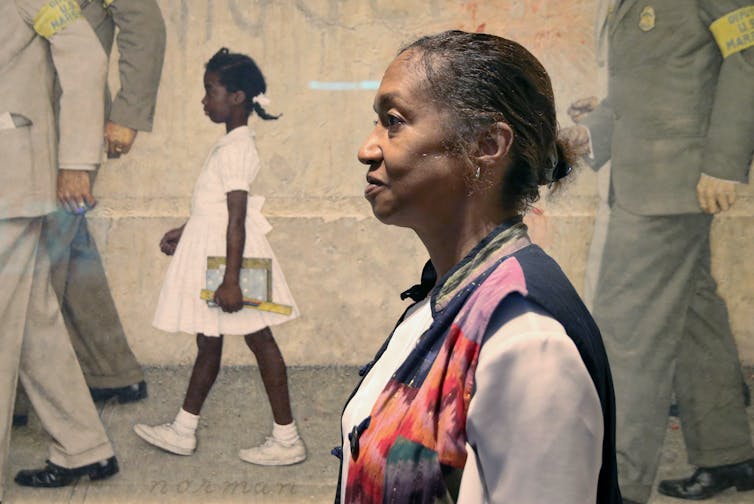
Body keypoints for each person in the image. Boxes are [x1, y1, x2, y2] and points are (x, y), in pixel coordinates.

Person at [335, 30, 622, 503]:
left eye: (393, 121)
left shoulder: (528, 342)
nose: (368, 148)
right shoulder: (447, 297)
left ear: (487, 145)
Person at [560, 1, 754, 502]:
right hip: (649, 177)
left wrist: (725, 162)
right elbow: (654, 85)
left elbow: (748, 55)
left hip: (674, 184)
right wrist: (593, 131)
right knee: (695, 317)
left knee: (625, 333)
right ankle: (728, 454)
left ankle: (618, 484)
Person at [133, 48, 306, 467]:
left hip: (233, 260)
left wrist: (231, 280)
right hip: (218, 253)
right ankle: (183, 428)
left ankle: (287, 438)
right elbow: (212, 210)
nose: (204, 100)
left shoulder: (237, 149)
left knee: (259, 338)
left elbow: (236, 219)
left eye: (211, 90)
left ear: (237, 98)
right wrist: (186, 229)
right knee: (208, 341)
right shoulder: (230, 143)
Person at [0, 0, 119, 499]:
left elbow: (87, 58)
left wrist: (76, 160)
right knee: (30, 322)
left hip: (10, 176)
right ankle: (83, 446)